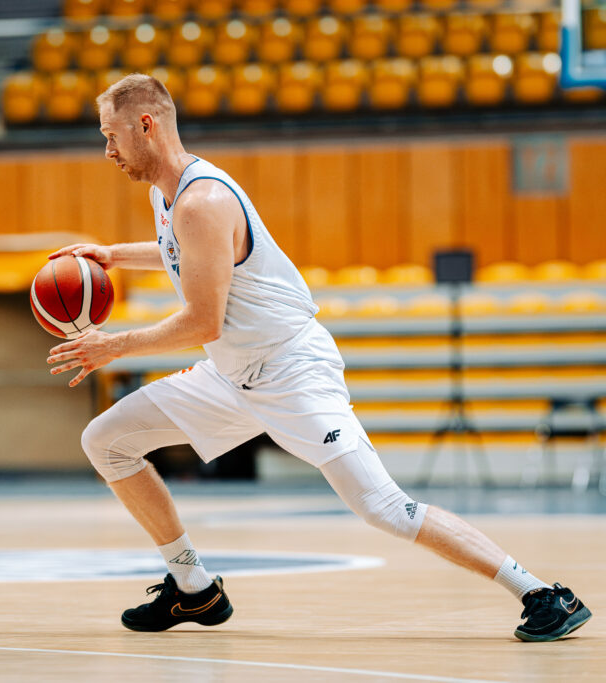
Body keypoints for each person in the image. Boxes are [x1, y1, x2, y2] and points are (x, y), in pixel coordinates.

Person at [46, 73, 591, 642]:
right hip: (235, 374)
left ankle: (541, 593)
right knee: (106, 440)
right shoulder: (169, 196)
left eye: (111, 135)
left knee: (384, 507)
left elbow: (203, 321)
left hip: (291, 370)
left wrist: (115, 345)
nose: (107, 150)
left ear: (146, 125)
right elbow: (184, 252)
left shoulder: (202, 201)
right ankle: (194, 588)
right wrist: (113, 254)